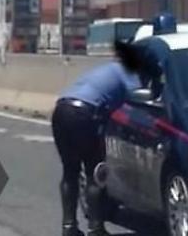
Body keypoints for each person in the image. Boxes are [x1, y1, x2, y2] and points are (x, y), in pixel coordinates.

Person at [51, 40, 145, 236]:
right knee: (96, 171)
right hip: (86, 114)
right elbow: (140, 98)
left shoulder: (104, 70)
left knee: (70, 171)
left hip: (62, 110)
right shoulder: (127, 71)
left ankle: (68, 227)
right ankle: (96, 228)